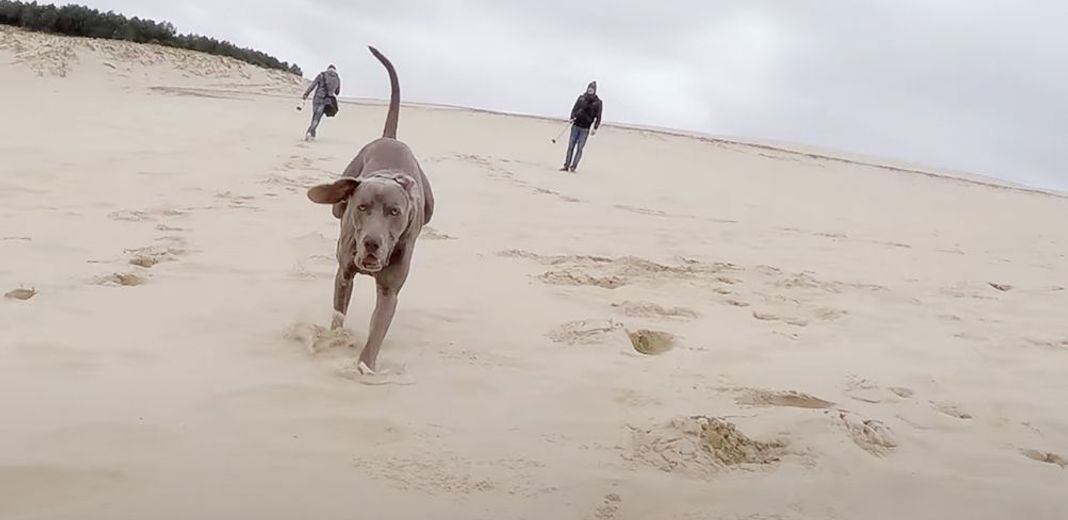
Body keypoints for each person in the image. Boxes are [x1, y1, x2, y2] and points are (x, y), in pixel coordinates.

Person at [561, 81, 603, 172]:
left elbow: (598, 116)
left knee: (580, 148)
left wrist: (595, 128)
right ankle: (566, 165)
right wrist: (571, 118)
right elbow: (574, 109)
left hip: (585, 128)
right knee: (570, 146)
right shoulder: (581, 98)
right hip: (576, 125)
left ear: (595, 90)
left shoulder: (598, 102)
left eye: (592, 88)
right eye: (589, 88)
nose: (590, 90)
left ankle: (573, 167)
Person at [302, 64, 341, 141]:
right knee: (317, 118)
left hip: (317, 98)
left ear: (328, 69)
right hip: (326, 100)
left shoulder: (322, 75)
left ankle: (312, 133)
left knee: (315, 115)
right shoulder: (337, 79)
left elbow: (313, 85)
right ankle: (310, 133)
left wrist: (306, 94)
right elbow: (337, 92)